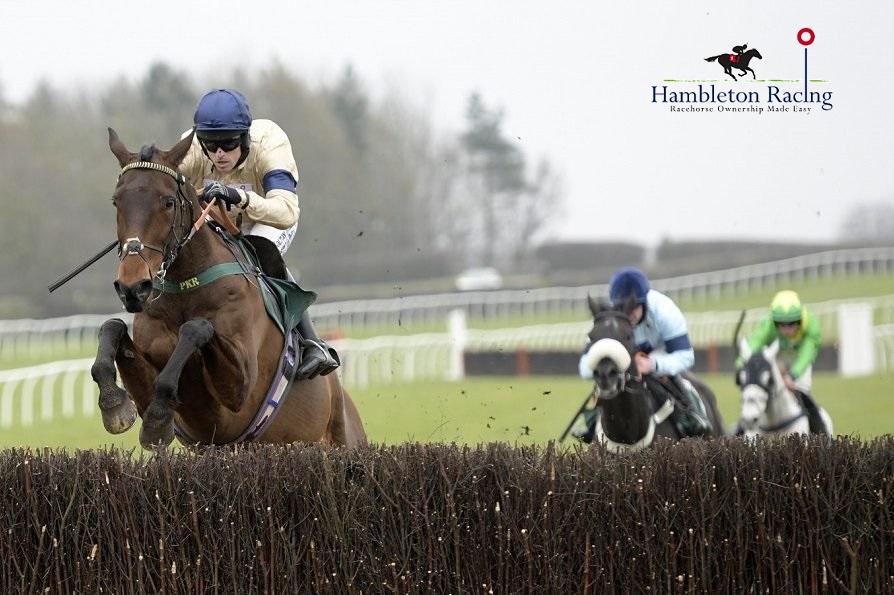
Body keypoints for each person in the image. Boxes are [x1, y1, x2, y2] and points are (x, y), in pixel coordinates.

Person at [178, 88, 339, 381]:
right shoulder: (191, 147)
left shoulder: (269, 144)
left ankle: (312, 342)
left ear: (244, 137)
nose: (219, 153)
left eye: (228, 143)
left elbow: (286, 211)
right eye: (211, 145)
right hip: (218, 221)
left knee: (259, 248)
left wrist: (239, 197)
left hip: (268, 219)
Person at [574, 267, 711, 442]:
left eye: (634, 307)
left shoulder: (664, 311)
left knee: (679, 383)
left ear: (644, 301)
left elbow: (686, 356)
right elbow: (585, 368)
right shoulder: (608, 320)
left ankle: (693, 416)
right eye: (622, 307)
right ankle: (591, 424)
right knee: (604, 385)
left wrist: (653, 365)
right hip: (623, 368)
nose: (628, 313)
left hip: (660, 358)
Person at [735, 289, 822, 400]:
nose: (787, 330)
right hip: (777, 356)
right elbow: (755, 343)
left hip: (799, 358)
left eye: (792, 323)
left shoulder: (811, 326)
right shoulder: (768, 324)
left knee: (803, 390)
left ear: (799, 320)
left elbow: (806, 355)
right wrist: (740, 363)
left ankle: (810, 409)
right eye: (781, 324)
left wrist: (792, 375)